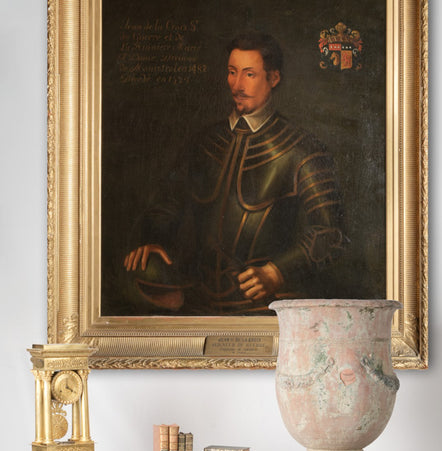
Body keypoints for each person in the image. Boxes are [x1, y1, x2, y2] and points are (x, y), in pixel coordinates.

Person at [124, 32, 347, 315]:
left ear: (274, 79)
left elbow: (331, 234)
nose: (237, 85)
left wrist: (277, 272)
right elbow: (166, 204)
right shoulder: (204, 142)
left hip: (266, 309)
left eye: (249, 74)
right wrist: (153, 238)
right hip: (197, 304)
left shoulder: (302, 150)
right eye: (232, 72)